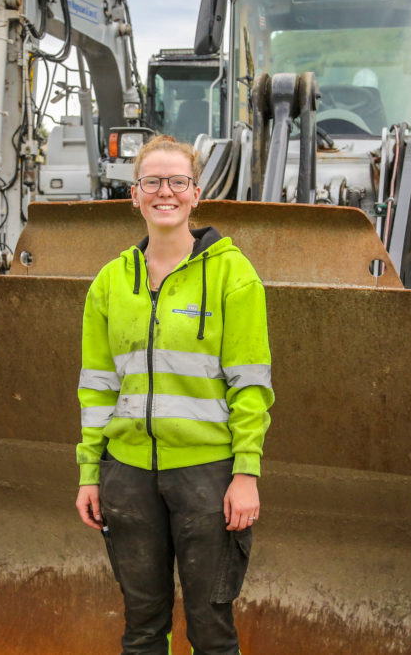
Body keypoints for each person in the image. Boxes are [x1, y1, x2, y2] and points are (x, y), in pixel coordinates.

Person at [74, 135, 274, 654]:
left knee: (211, 629)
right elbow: (97, 390)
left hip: (207, 476)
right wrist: (90, 474)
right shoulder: (109, 284)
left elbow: (251, 386)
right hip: (128, 475)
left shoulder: (235, 275)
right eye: (153, 182)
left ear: (196, 193)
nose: (166, 191)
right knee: (142, 627)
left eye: (178, 181)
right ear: (134, 196)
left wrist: (246, 473)